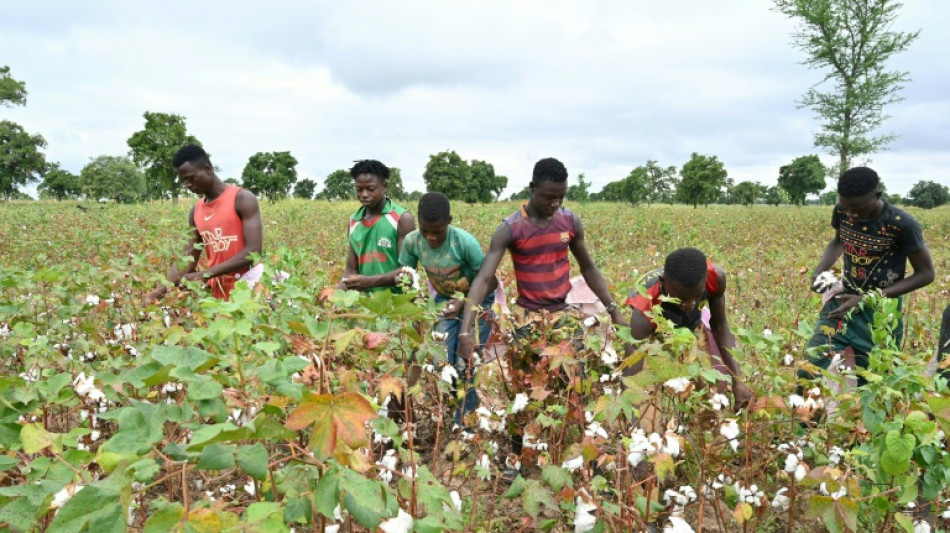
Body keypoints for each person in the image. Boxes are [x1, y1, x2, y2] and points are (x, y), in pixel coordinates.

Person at [457, 157, 622, 467]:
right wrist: (466, 330)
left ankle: (570, 456)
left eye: (561, 196)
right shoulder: (510, 228)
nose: (555, 203)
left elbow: (588, 267)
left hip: (563, 318)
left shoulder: (569, 222)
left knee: (574, 385)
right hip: (527, 318)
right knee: (521, 391)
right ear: (533, 189)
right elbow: (482, 279)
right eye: (548, 196)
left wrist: (613, 310)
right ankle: (517, 459)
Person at [804, 166, 934, 380]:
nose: (851, 216)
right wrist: (819, 272)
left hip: (880, 312)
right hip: (842, 300)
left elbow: (926, 274)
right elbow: (839, 241)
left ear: (877, 196)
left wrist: (867, 299)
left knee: (873, 381)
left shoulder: (902, 225)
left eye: (857, 210)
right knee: (811, 368)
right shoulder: (841, 211)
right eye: (846, 209)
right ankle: (810, 412)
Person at [398, 192, 498, 426]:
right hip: (444, 302)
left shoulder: (465, 243)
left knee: (466, 362)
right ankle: (464, 405)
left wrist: (464, 301)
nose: (431, 238)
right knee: (441, 362)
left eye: (437, 232)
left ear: (449, 221)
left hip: (477, 300)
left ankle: (465, 423)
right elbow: (405, 278)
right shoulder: (413, 241)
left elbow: (489, 281)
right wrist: (416, 309)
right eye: (426, 231)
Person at [624, 247, 753, 408]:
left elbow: (719, 325)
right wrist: (633, 425)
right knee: (649, 401)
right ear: (663, 283)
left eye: (696, 297)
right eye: (680, 299)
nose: (690, 305)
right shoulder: (644, 308)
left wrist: (737, 381)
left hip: (692, 326)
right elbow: (632, 372)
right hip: (656, 334)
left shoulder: (715, 277)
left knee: (713, 391)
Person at [146, 145, 262, 302]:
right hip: (218, 292)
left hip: (249, 288)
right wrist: (158, 292)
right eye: (183, 181)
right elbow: (188, 259)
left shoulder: (242, 199)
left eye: (191, 178)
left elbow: (253, 251)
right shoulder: (196, 211)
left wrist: (204, 274)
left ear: (207, 169)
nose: (187, 185)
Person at [337, 160, 415, 293]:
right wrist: (336, 295)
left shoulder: (402, 219)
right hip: (365, 306)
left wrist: (369, 282)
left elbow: (407, 271)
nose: (364, 194)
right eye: (359, 190)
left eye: (371, 189)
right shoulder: (354, 221)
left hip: (397, 303)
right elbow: (351, 269)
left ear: (384, 187)